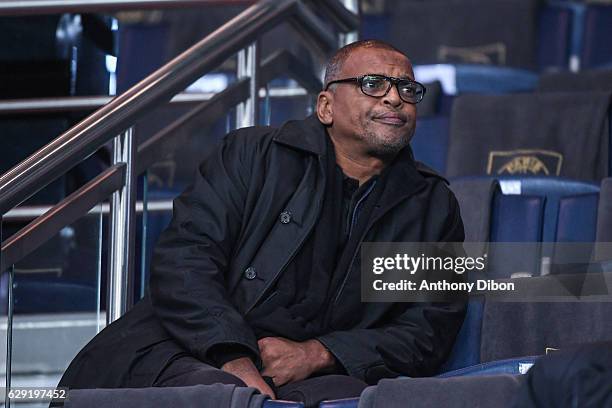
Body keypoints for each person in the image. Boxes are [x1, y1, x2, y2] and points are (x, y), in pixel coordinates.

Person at [57, 39, 466, 407]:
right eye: (373, 84)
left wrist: (317, 353)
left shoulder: (432, 204)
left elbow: (428, 327)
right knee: (220, 399)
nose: (395, 99)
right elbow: (185, 263)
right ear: (326, 106)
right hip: (192, 348)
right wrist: (234, 358)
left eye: (407, 90)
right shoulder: (253, 155)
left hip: (320, 373)